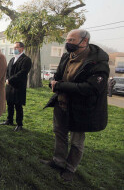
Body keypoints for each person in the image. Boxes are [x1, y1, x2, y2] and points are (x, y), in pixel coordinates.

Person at [42, 29, 109, 181]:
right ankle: (58, 161)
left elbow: (91, 88)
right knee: (59, 133)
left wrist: (60, 86)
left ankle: (70, 169)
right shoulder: (67, 56)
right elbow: (59, 75)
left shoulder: (98, 63)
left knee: (76, 141)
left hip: (81, 109)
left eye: (72, 40)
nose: (68, 43)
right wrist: (54, 81)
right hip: (61, 103)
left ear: (84, 41)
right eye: (67, 39)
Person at [1, 42, 31, 131]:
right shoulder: (12, 59)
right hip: (9, 86)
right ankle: (9, 120)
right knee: (9, 103)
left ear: (22, 48)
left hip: (18, 86)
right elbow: (7, 71)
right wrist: (7, 79)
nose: (14, 50)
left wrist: (10, 80)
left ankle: (19, 124)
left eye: (16, 48)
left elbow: (23, 72)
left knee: (18, 105)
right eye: (14, 48)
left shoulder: (26, 59)